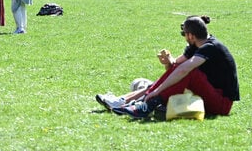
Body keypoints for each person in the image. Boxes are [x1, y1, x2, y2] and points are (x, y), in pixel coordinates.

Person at [97, 15, 239, 120]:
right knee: (181, 71)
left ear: (191, 35)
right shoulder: (196, 45)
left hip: (221, 104)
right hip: (207, 94)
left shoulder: (211, 47)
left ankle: (146, 103)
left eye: (185, 35)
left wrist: (157, 90)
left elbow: (184, 70)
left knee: (189, 72)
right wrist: (167, 62)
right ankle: (128, 101)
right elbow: (175, 67)